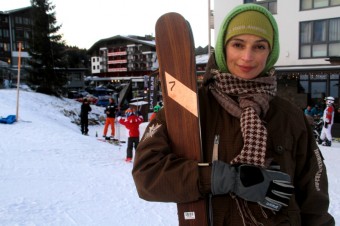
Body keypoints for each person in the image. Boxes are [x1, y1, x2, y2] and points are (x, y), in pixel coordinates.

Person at [132, 4, 334, 226]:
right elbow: (147, 176)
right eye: (238, 44)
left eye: (259, 46)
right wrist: (226, 179)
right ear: (223, 48)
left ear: (271, 52)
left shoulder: (291, 117)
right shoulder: (188, 106)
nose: (247, 57)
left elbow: (314, 204)